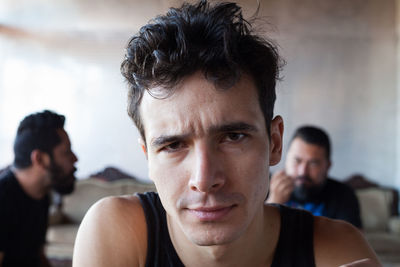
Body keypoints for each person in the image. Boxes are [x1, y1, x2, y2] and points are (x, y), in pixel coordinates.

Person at [73, 1, 380, 266]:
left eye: (233, 137)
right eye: (173, 145)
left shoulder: (336, 250)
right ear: (148, 158)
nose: (205, 179)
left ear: (274, 142)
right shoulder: (117, 232)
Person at [0, 110, 78, 267]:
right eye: (66, 151)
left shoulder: (41, 194)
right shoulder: (3, 198)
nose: (75, 158)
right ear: (39, 159)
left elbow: (38, 255)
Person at [266, 126, 362, 228]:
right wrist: (273, 204)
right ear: (286, 159)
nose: (302, 172)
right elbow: (250, 237)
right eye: (297, 161)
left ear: (327, 166)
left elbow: (353, 241)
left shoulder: (343, 195)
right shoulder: (264, 185)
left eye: (313, 163)